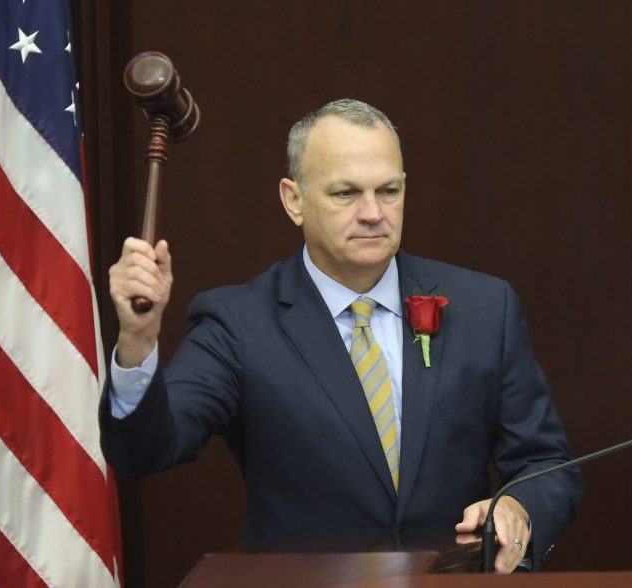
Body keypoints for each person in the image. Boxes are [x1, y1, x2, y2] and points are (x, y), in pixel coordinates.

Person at [100, 99, 582, 573]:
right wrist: (138, 339)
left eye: (388, 191)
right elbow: (145, 451)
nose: (373, 212)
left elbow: (545, 464)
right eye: (346, 193)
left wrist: (520, 508)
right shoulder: (239, 322)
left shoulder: (484, 308)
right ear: (294, 200)